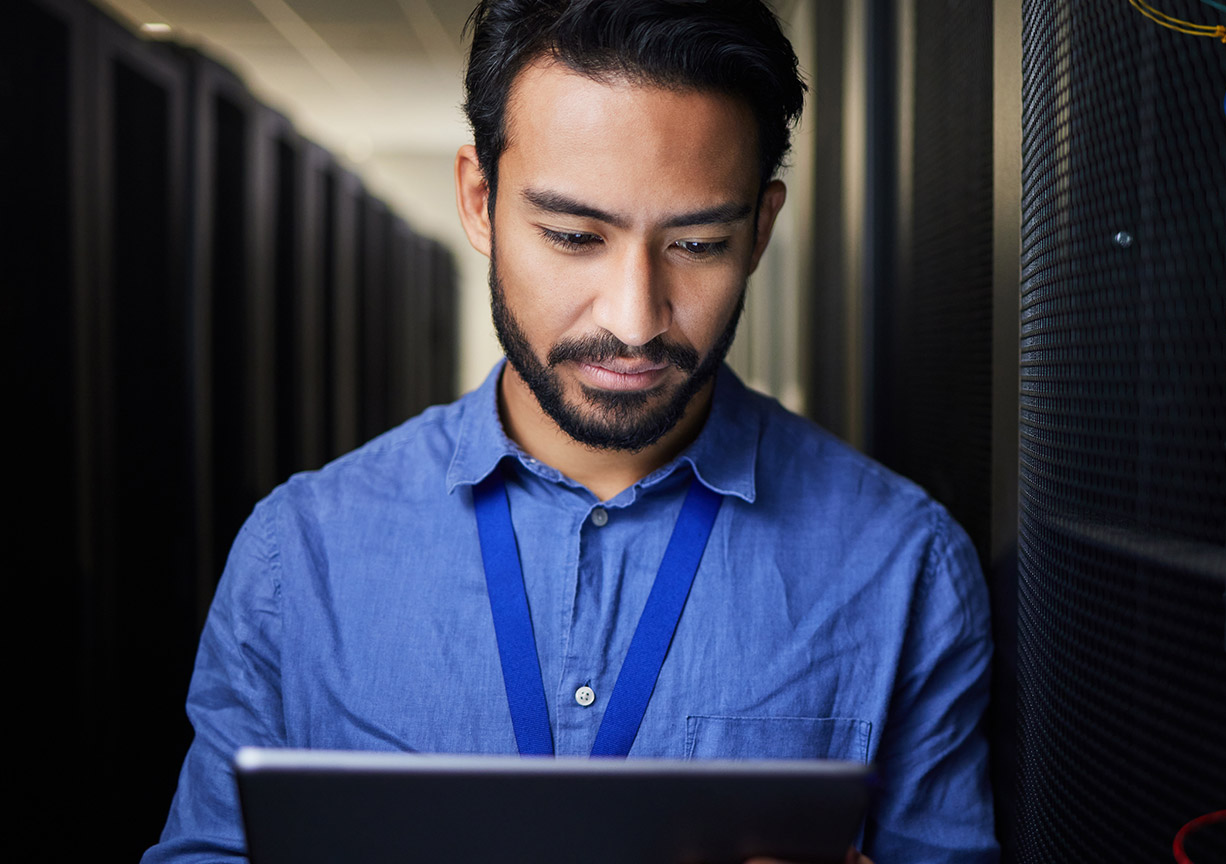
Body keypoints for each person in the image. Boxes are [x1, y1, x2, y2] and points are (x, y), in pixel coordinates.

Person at [143, 1, 996, 861]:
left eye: (697, 245)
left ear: (760, 230)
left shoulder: (903, 565)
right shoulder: (299, 556)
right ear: (480, 202)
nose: (634, 321)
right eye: (574, 236)